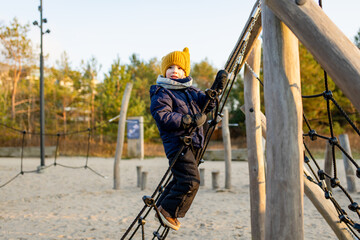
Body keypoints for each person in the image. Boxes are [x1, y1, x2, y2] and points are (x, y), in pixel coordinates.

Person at [149, 47, 227, 230]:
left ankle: (161, 205)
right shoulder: (162, 92)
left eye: (179, 68)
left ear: (185, 72)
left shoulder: (192, 91)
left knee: (180, 179)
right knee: (191, 181)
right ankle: (168, 211)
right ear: (164, 71)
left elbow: (206, 105)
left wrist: (214, 91)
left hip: (194, 142)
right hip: (178, 144)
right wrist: (187, 120)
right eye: (170, 68)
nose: (175, 71)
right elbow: (162, 116)